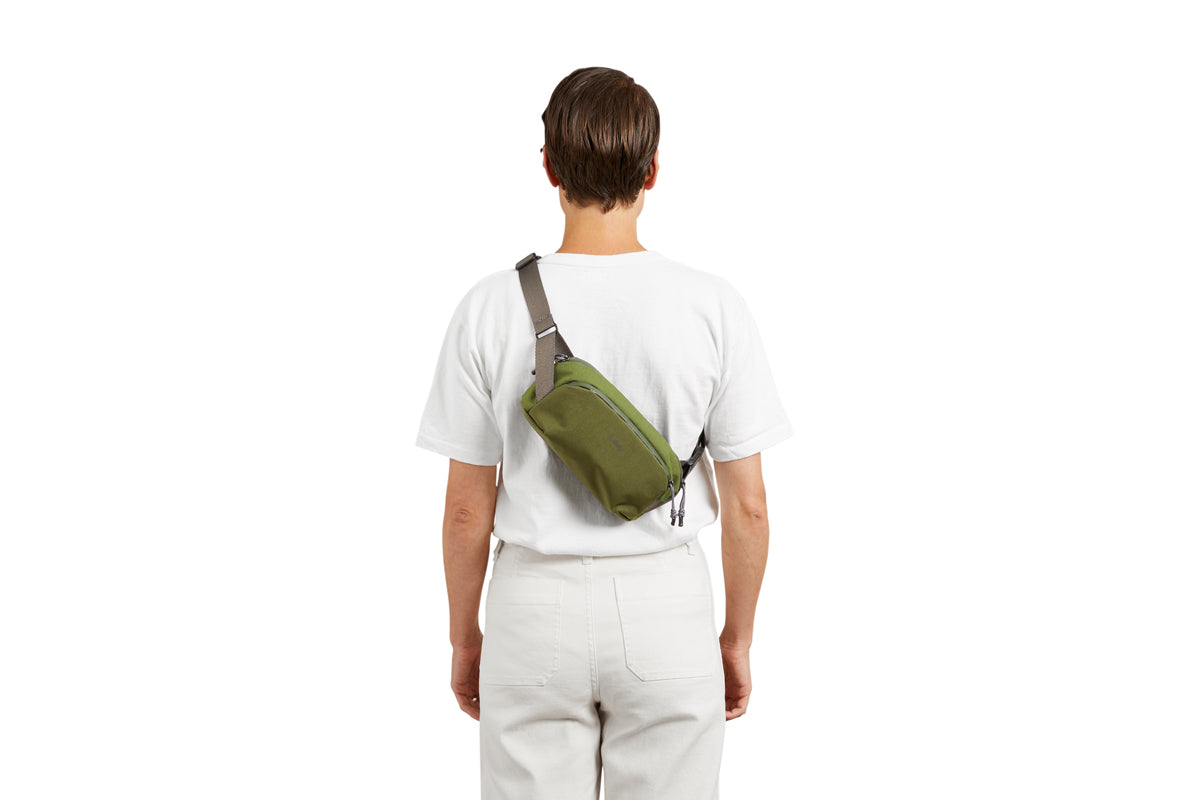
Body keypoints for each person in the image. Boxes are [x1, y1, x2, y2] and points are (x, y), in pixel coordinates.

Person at [415, 66, 793, 800]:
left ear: (549, 167)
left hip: (531, 609)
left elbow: (466, 510)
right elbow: (748, 509)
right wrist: (736, 639)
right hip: (666, 607)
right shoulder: (713, 305)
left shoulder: (489, 306)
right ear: (652, 170)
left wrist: (465, 637)